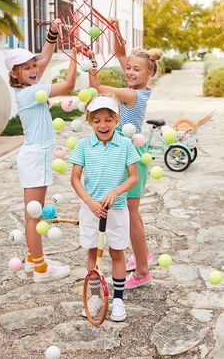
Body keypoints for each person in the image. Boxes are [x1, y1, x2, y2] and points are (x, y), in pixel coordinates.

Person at [88, 20, 163, 289]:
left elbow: (98, 89)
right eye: (128, 68)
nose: (129, 71)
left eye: (135, 69)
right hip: (129, 153)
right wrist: (116, 30)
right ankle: (142, 257)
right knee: (132, 214)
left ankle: (142, 270)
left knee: (132, 216)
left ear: (148, 73)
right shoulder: (138, 86)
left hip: (130, 156)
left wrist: (92, 66)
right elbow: (122, 54)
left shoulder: (131, 95)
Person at [5, 19, 77, 283]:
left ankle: (33, 261)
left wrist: (53, 33)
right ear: (14, 73)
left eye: (33, 65)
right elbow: (68, 86)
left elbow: (45, 57)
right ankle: (41, 270)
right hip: (36, 156)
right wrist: (75, 56)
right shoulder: (30, 93)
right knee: (34, 215)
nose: (34, 69)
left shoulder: (29, 86)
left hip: (36, 154)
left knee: (33, 213)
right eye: (26, 67)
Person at [70, 94, 140, 321]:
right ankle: (95, 297)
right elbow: (75, 179)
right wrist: (90, 202)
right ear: (90, 122)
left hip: (117, 209)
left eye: (108, 119)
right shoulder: (83, 146)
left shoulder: (126, 145)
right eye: (97, 120)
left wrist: (116, 191)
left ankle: (118, 300)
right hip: (91, 211)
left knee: (117, 252)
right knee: (93, 251)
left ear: (117, 120)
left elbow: (133, 177)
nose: (103, 125)